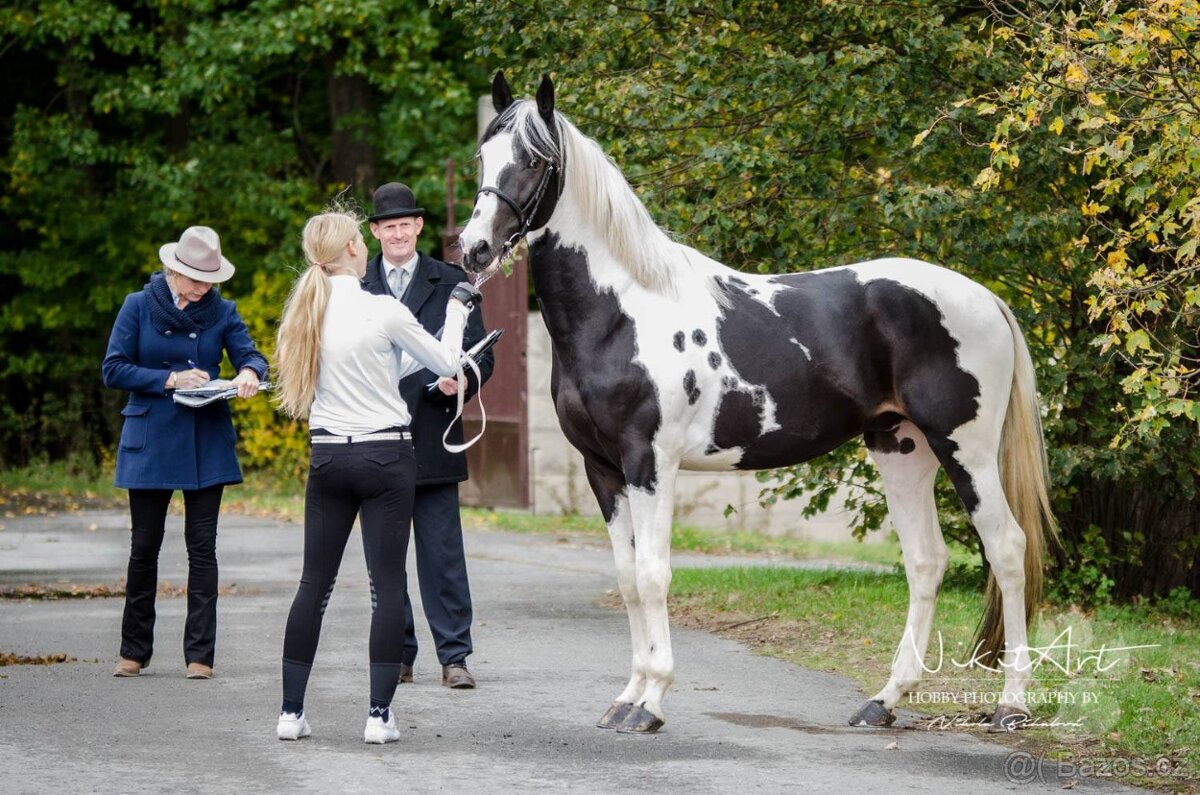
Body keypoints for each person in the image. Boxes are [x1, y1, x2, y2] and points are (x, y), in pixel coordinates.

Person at [273, 206, 482, 744]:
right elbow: (445, 362)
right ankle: (378, 716)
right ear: (350, 250)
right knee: (385, 585)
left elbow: (380, 369)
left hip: (328, 458)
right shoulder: (382, 308)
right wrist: (457, 309)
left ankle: (291, 713)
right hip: (385, 457)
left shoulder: (304, 315)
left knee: (312, 585)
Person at [102, 225, 267, 681]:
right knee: (144, 547)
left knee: (202, 549)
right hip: (150, 438)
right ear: (173, 270)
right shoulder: (138, 306)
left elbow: (251, 356)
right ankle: (133, 651)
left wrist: (250, 373)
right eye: (196, 279)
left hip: (204, 439)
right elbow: (113, 368)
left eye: (210, 279)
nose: (203, 288)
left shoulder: (223, 310)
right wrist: (170, 380)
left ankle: (200, 656)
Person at [363, 182, 494, 689]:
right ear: (375, 233)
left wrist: (461, 380)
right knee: (384, 555)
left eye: (405, 224)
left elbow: (483, 352)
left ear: (419, 227)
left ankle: (454, 656)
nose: (398, 233)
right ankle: (398, 653)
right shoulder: (357, 286)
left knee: (442, 555)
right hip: (376, 436)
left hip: (436, 431)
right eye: (387, 226)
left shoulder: (450, 280)